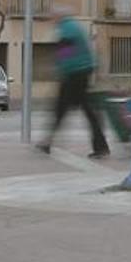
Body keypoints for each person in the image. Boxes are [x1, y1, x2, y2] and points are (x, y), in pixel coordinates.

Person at [35, 12, 109, 158]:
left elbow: (65, 55)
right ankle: (101, 146)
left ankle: (48, 141)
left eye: (52, 18)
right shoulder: (74, 26)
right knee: (86, 111)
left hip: (74, 75)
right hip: (83, 73)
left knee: (61, 108)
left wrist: (60, 72)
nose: (51, 21)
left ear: (58, 17)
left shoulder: (66, 30)